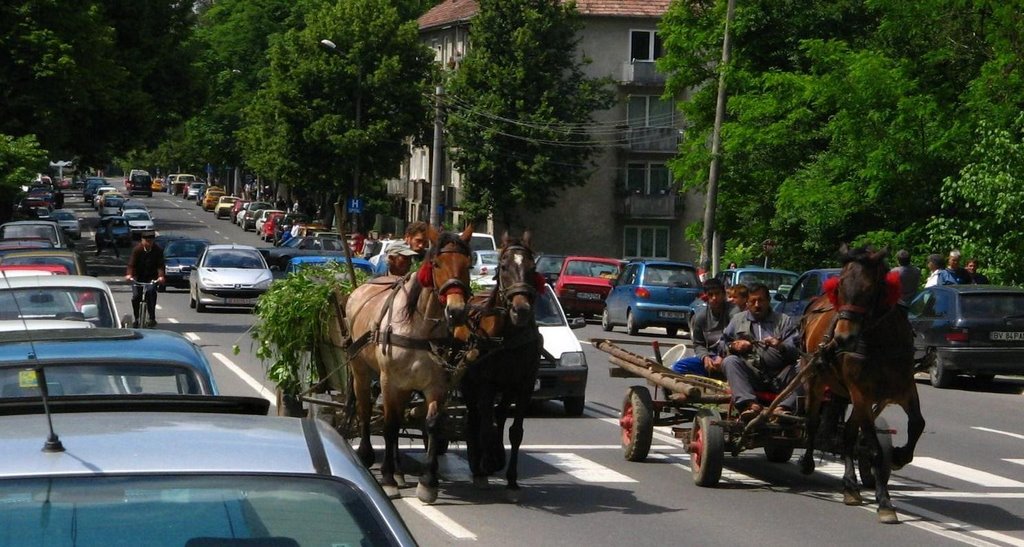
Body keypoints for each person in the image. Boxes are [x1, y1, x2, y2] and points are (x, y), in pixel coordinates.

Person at [719, 283, 801, 420]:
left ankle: (783, 408)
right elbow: (721, 346)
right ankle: (750, 405)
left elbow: (796, 352)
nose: (757, 305)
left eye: (761, 300)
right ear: (747, 302)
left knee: (807, 368)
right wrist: (734, 346)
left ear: (769, 301)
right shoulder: (737, 320)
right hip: (751, 377)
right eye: (753, 301)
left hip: (780, 376)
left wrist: (780, 346)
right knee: (729, 361)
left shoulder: (783, 321)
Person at [671, 279, 738, 377]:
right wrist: (705, 357)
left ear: (724, 294)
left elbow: (735, 339)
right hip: (710, 358)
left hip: (730, 356)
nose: (714, 298)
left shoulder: (734, 312)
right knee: (678, 367)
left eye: (717, 294)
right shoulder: (700, 317)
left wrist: (723, 356)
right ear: (706, 297)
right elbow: (698, 344)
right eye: (711, 295)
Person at [125, 232, 165, 328]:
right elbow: (131, 264)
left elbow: (160, 265)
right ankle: (137, 318)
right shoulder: (137, 250)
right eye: (146, 241)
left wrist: (161, 276)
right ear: (142, 241)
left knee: (151, 292)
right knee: (136, 296)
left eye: (150, 241)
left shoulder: (158, 250)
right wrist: (129, 275)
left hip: (151, 277)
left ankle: (152, 317)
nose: (148, 243)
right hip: (138, 276)